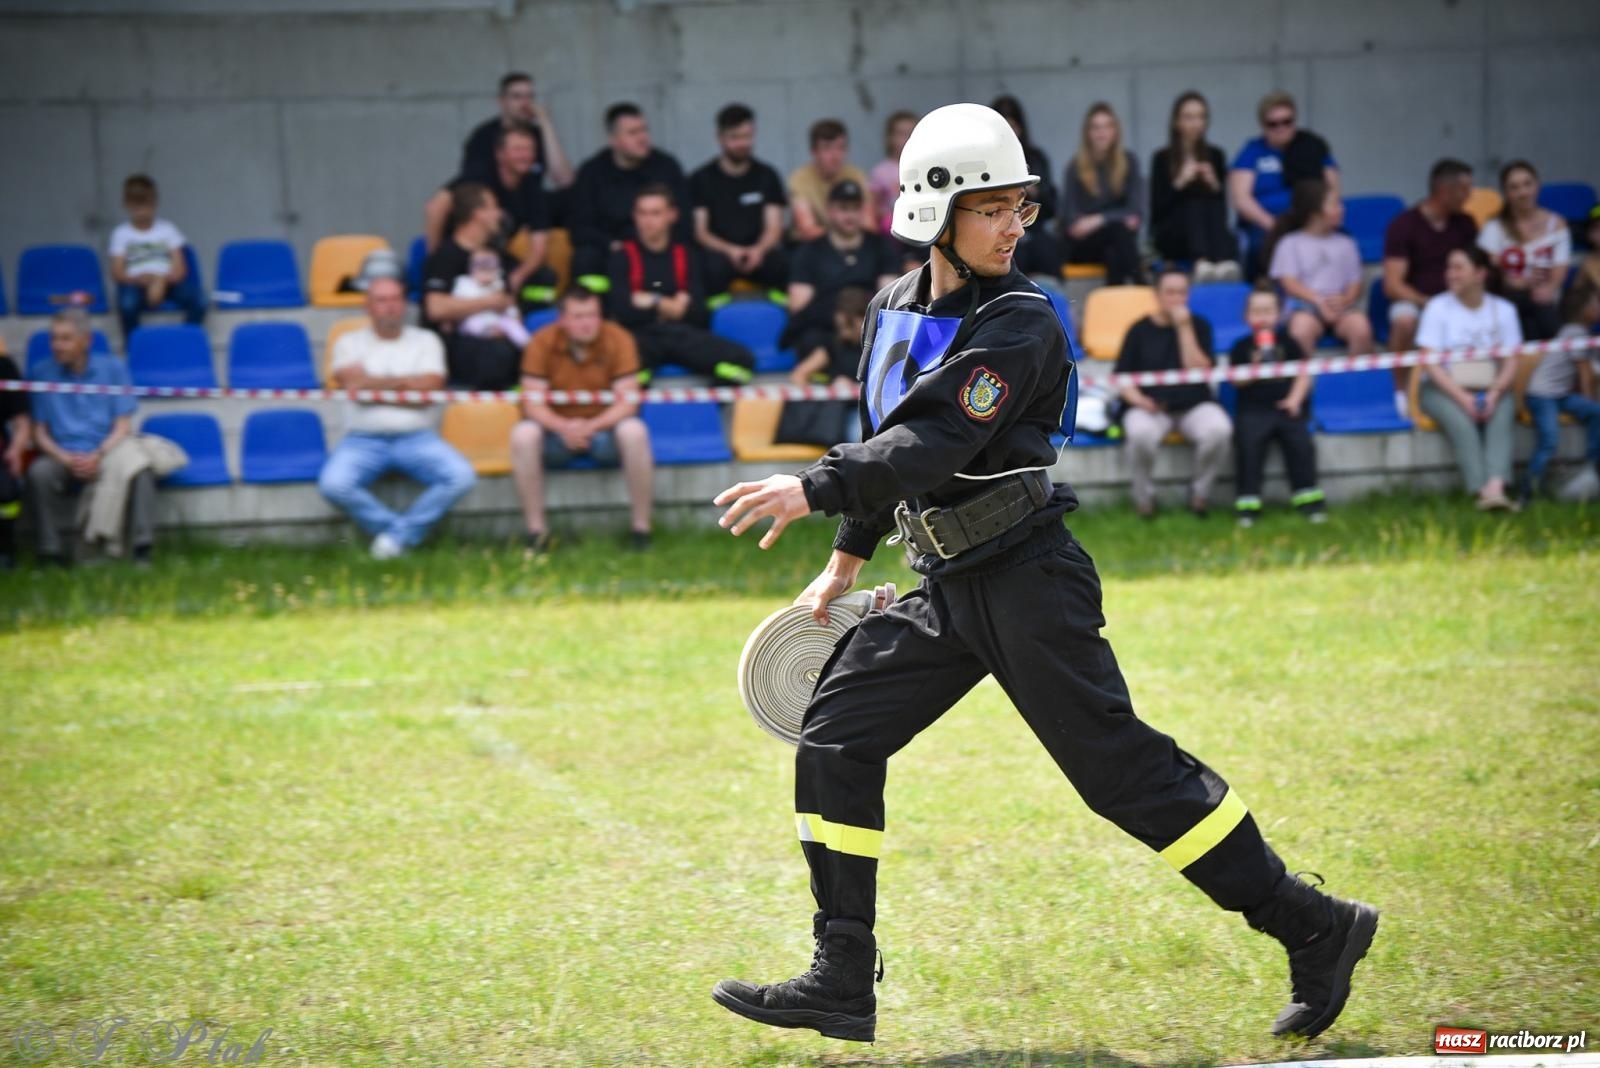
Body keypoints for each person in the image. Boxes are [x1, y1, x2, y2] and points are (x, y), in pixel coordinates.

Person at [709, 102, 1376, 1047]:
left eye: (1019, 205)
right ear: (934, 211)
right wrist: (844, 560)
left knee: (1124, 777)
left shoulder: (1022, 321)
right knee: (836, 737)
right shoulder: (893, 306)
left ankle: (1313, 924)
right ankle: (842, 976)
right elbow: (884, 434)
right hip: (945, 583)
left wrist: (813, 487)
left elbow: (935, 440)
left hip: (1029, 576)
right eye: (991, 208)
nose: (1013, 225)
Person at [319, 277, 476, 560]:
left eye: (395, 299)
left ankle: (393, 539)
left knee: (461, 477)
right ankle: (398, 534)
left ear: (404, 304)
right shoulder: (348, 342)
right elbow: (354, 387)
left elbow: (428, 391)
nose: (390, 306)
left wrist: (372, 385)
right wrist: (406, 384)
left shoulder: (426, 340)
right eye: (381, 300)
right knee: (333, 484)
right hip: (362, 440)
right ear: (368, 306)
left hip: (418, 438)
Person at [510, 286, 654, 552]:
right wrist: (564, 427)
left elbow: (628, 402)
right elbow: (532, 404)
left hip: (605, 432)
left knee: (634, 430)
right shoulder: (541, 341)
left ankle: (641, 531)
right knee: (523, 434)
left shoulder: (619, 338)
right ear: (562, 320)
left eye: (592, 315)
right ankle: (536, 533)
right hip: (555, 434)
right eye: (578, 317)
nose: (587, 323)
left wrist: (591, 426)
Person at [27, 309, 155, 566]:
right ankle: (50, 551)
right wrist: (65, 458)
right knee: (38, 473)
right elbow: (38, 432)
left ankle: (141, 549)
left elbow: (123, 425)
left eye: (65, 339)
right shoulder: (41, 373)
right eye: (53, 338)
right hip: (61, 454)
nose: (57, 345)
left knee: (141, 470)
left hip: (107, 450)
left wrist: (98, 454)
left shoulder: (113, 369)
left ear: (86, 340)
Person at [605, 185, 754, 384]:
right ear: (634, 216)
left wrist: (649, 301)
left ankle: (706, 402)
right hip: (641, 338)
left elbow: (698, 313)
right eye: (642, 213)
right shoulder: (622, 256)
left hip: (682, 335)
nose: (647, 220)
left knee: (741, 360)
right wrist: (667, 303)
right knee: (621, 367)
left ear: (672, 215)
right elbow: (622, 311)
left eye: (656, 213)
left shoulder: (687, 255)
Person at [1116, 267, 1231, 517]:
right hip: (1151, 407)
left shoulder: (1199, 325)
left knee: (1219, 429)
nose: (1176, 299)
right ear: (1157, 295)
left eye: (1182, 293)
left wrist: (1184, 328)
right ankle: (1144, 499)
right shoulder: (1138, 330)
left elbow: (1200, 370)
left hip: (1194, 405)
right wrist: (1140, 401)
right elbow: (1122, 378)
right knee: (1139, 433)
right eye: (1170, 292)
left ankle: (1199, 495)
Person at [1414, 247, 1521, 511]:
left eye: (1459, 267)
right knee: (1462, 423)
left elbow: (1511, 360)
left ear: (1481, 274)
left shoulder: (1504, 310)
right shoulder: (1437, 307)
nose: (1451, 274)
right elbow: (1430, 363)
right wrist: (1463, 398)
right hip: (1441, 388)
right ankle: (1481, 489)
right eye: (1449, 267)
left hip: (1490, 385)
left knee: (1503, 411)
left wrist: (1494, 394)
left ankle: (1496, 486)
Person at [423, 124, 558, 307]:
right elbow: (434, 207)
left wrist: (517, 277)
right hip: (459, 253)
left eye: (530, 149)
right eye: (518, 149)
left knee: (544, 278)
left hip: (494, 257)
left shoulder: (532, 189)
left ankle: (530, 320)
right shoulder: (479, 175)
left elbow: (539, 248)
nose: (525, 155)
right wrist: (436, 256)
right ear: (500, 154)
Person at [569, 103, 691, 292]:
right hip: (611, 250)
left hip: (657, 250)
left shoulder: (666, 167)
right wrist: (611, 244)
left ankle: (672, 305)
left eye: (644, 130)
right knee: (585, 259)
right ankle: (592, 306)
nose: (642, 138)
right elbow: (580, 226)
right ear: (613, 140)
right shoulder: (592, 172)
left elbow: (683, 220)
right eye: (633, 133)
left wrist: (653, 245)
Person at [1228, 285, 1323, 526]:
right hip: (1253, 410)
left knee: (1301, 446)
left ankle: (1308, 500)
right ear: (1246, 316)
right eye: (1256, 311)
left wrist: (1294, 399)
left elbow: (1304, 374)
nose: (1262, 317)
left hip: (1285, 407)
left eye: (1268, 311)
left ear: (1279, 315)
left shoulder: (1289, 342)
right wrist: (1253, 368)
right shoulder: (1240, 346)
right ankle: (1248, 504)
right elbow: (1236, 381)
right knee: (1248, 448)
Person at [782, 180, 902, 364]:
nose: (850, 216)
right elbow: (798, 307)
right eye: (843, 208)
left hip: (867, 329)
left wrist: (857, 317)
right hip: (825, 332)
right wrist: (841, 314)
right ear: (829, 210)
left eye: (855, 208)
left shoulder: (881, 247)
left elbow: (889, 298)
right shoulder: (809, 252)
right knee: (811, 340)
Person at [422, 183, 525, 390]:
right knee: (497, 355)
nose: (499, 214)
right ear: (478, 214)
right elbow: (435, 308)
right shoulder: (445, 256)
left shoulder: (498, 257)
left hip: (499, 338)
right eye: (494, 207)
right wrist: (489, 302)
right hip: (457, 346)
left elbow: (509, 304)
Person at [1229, 92, 1339, 278]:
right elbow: (1241, 200)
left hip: (1312, 220)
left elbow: (1333, 189)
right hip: (1265, 224)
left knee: (1342, 240)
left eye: (1287, 122)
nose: (1281, 128)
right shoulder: (1252, 151)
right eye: (1273, 124)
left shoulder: (1312, 146)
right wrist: (1274, 225)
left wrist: (1316, 223)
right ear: (1262, 125)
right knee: (1258, 246)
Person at [1382, 159, 1478, 371]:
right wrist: (1428, 303)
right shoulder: (1403, 225)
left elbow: (1475, 269)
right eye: (1464, 189)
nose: (1469, 195)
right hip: (1418, 301)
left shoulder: (1466, 224)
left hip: (1459, 298)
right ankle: (1399, 386)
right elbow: (1392, 285)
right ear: (1444, 191)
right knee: (1404, 320)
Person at [689, 103, 789, 302]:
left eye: (747, 136)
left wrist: (758, 250)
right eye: (735, 137)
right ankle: (714, 316)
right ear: (720, 138)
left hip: (760, 253)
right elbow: (701, 232)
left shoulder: (767, 175)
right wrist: (731, 251)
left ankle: (782, 314)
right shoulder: (701, 179)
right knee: (707, 266)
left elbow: (774, 227)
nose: (742, 143)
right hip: (720, 255)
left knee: (782, 262)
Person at [1269, 180, 1375, 359]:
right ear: (1314, 213)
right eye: (1334, 205)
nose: (1341, 209)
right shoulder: (1290, 243)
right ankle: (1304, 377)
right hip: (1305, 306)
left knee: (1361, 329)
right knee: (1300, 331)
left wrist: (1344, 300)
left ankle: (1356, 377)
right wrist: (1319, 301)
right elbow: (1289, 283)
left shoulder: (1347, 243)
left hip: (1340, 305)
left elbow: (1355, 282)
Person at [1520, 278, 1600, 500]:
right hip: (1542, 395)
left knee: (1597, 413)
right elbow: (1585, 375)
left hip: (1559, 394)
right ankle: (1526, 493)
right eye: (1597, 302)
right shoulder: (1577, 334)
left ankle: (1594, 467)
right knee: (1549, 441)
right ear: (1586, 309)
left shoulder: (1573, 331)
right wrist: (1589, 399)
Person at [1150, 91, 1240, 281]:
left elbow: (1222, 210)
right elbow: (1157, 211)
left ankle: (1222, 262)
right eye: (1189, 117)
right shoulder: (1162, 158)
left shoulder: (1216, 155)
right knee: (1194, 204)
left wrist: (1215, 185)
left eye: (1201, 117)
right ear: (1176, 122)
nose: (1196, 123)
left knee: (1209, 205)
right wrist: (1180, 183)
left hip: (1211, 233)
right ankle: (1202, 262)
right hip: (1173, 234)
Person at [1477, 160, 1570, 342]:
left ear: (1537, 185)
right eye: (1514, 187)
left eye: (1527, 184)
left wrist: (1549, 288)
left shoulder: (1557, 224)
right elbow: (1491, 270)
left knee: (1539, 310)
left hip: (1547, 299)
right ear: (1505, 193)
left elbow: (1561, 267)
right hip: (1508, 299)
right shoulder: (1495, 227)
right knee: (1526, 308)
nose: (1523, 192)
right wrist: (1521, 283)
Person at [109, 174, 205, 341]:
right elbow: (117, 272)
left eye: (146, 205)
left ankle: (184, 340)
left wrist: (161, 281)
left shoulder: (167, 229)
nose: (142, 211)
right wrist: (140, 280)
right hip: (136, 285)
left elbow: (180, 269)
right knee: (127, 304)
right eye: (136, 206)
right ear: (126, 204)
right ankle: (134, 345)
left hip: (167, 284)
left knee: (201, 300)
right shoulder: (121, 233)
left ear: (155, 203)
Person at [1060, 102, 1145, 285]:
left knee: (1113, 252)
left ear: (1115, 131)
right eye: (1096, 128)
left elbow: (1136, 212)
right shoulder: (1075, 167)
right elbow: (1071, 222)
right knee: (1118, 231)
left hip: (1115, 242)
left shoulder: (1129, 162)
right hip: (1083, 246)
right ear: (1087, 133)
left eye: (1107, 127)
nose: (1102, 133)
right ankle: (1141, 284)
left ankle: (1116, 297)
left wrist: (1097, 220)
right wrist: (1118, 217)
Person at [783, 284, 873, 447]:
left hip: (869, 410)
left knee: (861, 434)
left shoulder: (879, 346)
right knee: (855, 435)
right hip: (838, 413)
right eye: (841, 326)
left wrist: (857, 388)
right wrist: (826, 391)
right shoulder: (833, 344)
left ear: (864, 319)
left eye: (849, 325)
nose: (844, 332)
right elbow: (799, 375)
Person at [457, 72, 574, 194]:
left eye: (530, 96)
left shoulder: (539, 134)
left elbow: (564, 180)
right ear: (501, 101)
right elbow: (471, 183)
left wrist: (546, 122)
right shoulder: (483, 136)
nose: (525, 103)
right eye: (517, 97)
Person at [990, 95, 1061, 282]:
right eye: (1004, 128)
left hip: (1033, 228)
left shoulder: (1036, 158)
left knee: (1046, 250)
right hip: (996, 230)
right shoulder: (984, 161)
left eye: (1013, 127)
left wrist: (1032, 191)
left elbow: (1051, 207)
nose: (1009, 134)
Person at [788, 119, 875, 243]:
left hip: (854, 244)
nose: (835, 156)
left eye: (841, 148)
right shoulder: (800, 179)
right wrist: (841, 241)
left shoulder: (858, 176)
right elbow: (808, 229)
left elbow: (869, 225)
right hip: (812, 245)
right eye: (827, 148)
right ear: (814, 152)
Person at [0, 347, 31, 570]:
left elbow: (22, 421)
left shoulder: (4, 366)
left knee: (7, 491)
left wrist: (16, 449)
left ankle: (5, 549)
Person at [868, 111, 919, 237]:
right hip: (891, 230)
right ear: (890, 138)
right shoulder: (881, 172)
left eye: (911, 134)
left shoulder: (924, 168)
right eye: (901, 134)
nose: (906, 139)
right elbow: (874, 206)